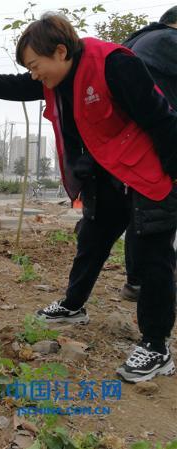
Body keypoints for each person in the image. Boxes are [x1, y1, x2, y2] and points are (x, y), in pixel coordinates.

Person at [0, 13, 177, 382]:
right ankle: (73, 306)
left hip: (149, 170)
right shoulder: (58, 77)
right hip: (108, 171)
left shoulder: (115, 65)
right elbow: (8, 86)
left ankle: (156, 345)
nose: (33, 74)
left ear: (60, 51)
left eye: (35, 65)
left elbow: (162, 120)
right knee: (91, 238)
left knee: (152, 256)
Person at [121, 6, 177, 301]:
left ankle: (138, 280)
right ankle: (148, 284)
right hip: (161, 141)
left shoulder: (137, 41)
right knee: (158, 218)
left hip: (133, 145)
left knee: (143, 215)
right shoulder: (167, 41)